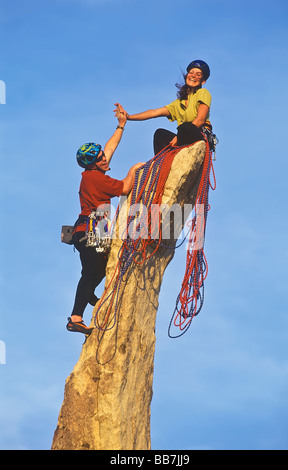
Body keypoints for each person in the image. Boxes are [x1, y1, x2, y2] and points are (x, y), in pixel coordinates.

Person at [67, 104, 145, 335]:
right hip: (93, 232)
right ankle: (76, 318)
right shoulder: (98, 180)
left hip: (86, 230)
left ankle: (87, 295)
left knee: (96, 271)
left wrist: (121, 126)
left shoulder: (92, 174)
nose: (105, 157)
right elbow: (125, 188)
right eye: (100, 157)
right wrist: (135, 169)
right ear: (93, 162)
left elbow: (110, 148)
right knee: (93, 273)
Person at [115, 60, 212, 155]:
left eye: (198, 75)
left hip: (197, 135)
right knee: (160, 134)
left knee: (185, 127)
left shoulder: (203, 93)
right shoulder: (178, 103)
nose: (193, 76)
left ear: (203, 81)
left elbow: (200, 120)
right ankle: (160, 166)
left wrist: (179, 137)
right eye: (191, 73)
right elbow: (154, 113)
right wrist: (129, 117)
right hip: (183, 136)